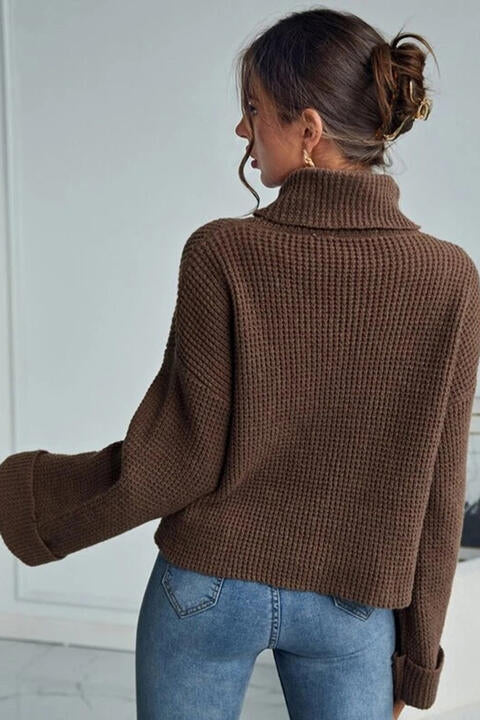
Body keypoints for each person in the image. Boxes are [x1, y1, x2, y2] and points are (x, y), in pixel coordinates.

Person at [0, 8, 478, 720]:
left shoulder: (221, 251)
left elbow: (174, 456)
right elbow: (441, 492)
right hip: (353, 604)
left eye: (253, 109)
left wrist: (29, 498)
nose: (241, 129)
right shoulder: (451, 278)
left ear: (309, 129)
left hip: (209, 587)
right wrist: (418, 660)